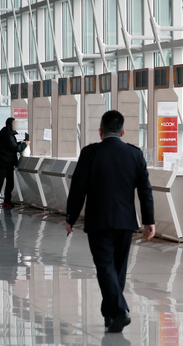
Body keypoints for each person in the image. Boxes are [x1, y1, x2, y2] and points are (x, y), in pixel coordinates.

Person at [65, 110, 155, 333]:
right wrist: (149, 220)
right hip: (126, 222)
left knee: (105, 267)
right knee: (117, 269)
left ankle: (120, 311)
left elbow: (78, 188)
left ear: (100, 131)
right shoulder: (134, 154)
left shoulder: (90, 153)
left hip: (99, 221)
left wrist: (71, 217)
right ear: (123, 132)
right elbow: (145, 189)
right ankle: (111, 315)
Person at [0, 118, 30, 208]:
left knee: (1, 181)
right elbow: (16, 148)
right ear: (10, 124)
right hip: (6, 163)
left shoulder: (5, 132)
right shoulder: (8, 134)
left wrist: (22, 142)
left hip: (3, 162)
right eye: (15, 123)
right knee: (8, 183)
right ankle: (5, 201)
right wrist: (25, 144)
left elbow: (12, 145)